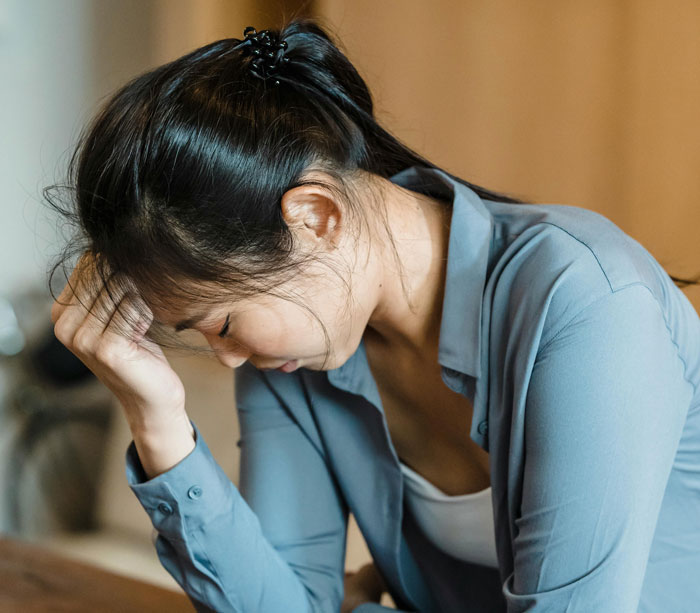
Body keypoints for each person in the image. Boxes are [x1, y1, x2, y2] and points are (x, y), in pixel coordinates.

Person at [48, 17, 700, 613]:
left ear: (315, 217)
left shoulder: (585, 304)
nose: (228, 355)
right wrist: (156, 419)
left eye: (221, 321)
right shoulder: (302, 349)